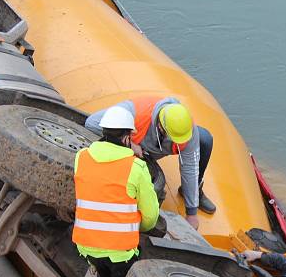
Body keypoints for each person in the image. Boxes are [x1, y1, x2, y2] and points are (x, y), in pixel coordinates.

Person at [72, 106, 159, 277]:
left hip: (87, 244)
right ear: (126, 137)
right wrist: (139, 226)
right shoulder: (136, 168)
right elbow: (151, 216)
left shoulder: (82, 157)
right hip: (121, 251)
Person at [85, 96, 215, 230]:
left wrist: (191, 213)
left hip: (149, 152)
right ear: (160, 126)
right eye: (173, 140)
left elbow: (190, 168)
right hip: (130, 149)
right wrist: (131, 145)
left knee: (205, 139)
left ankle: (195, 192)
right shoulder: (134, 113)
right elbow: (91, 123)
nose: (177, 143)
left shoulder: (187, 132)